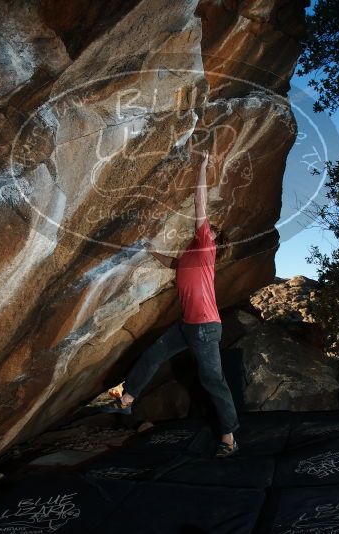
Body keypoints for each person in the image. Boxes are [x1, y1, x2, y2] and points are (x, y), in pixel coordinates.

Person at [99, 149, 240, 459]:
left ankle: (229, 438)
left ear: (213, 240)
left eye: (212, 229)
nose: (208, 227)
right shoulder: (191, 255)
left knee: (212, 380)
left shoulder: (205, 246)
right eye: (209, 227)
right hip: (187, 326)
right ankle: (127, 400)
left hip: (204, 328)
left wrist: (202, 166)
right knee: (153, 354)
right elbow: (172, 263)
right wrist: (151, 250)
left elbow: (200, 204)